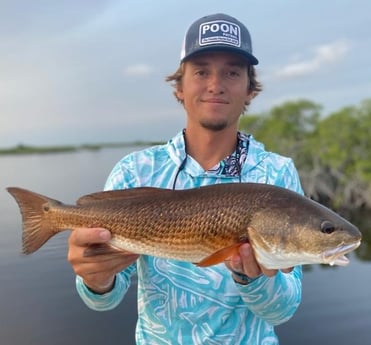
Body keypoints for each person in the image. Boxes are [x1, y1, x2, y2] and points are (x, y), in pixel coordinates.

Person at [68, 13, 303, 344]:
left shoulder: (276, 174)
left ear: (250, 89)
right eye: (201, 71)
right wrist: (96, 278)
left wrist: (253, 277)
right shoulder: (135, 171)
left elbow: (283, 310)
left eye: (232, 72)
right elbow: (103, 301)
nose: (215, 84)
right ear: (179, 86)